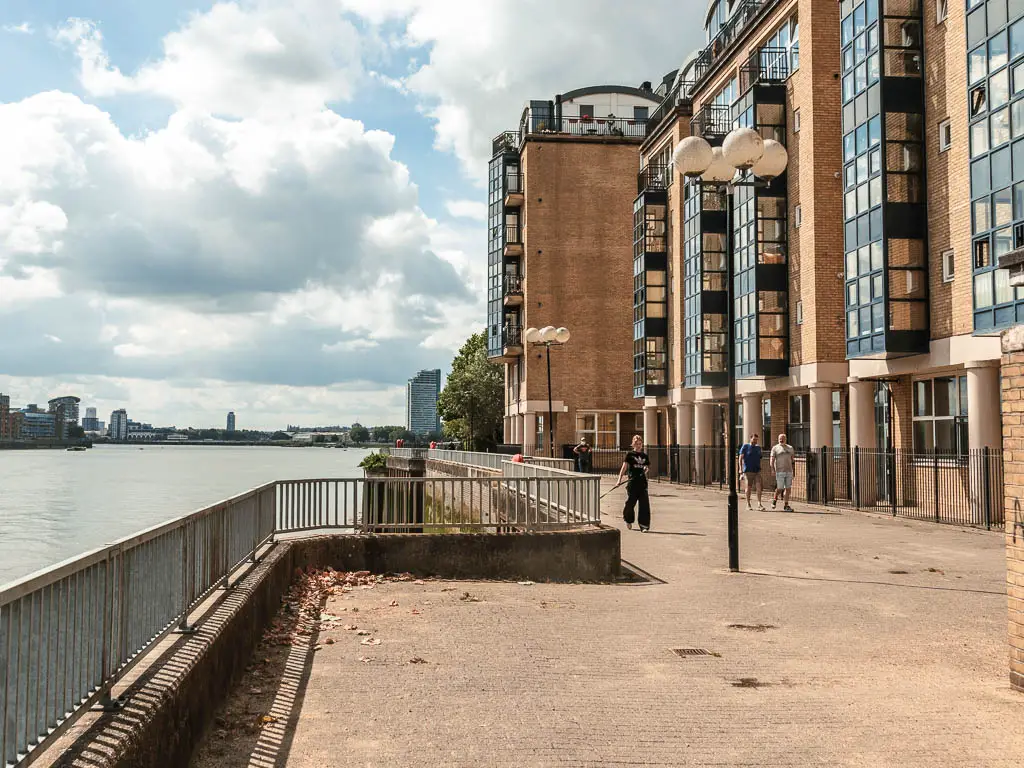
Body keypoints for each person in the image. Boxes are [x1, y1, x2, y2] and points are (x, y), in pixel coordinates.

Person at [617, 435, 651, 531]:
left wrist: (645, 469)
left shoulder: (644, 456)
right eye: (637, 444)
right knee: (630, 504)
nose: (639, 446)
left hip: (642, 484)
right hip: (632, 483)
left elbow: (647, 468)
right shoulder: (630, 455)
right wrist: (619, 480)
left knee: (644, 505)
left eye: (640, 444)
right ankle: (628, 519)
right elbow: (624, 468)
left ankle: (644, 526)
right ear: (633, 444)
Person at [770, 433, 796, 512]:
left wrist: (793, 471)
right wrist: (772, 469)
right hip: (780, 471)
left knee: (788, 488)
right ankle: (774, 499)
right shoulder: (775, 448)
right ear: (778, 439)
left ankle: (786, 505)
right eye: (780, 438)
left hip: (789, 471)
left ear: (785, 439)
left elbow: (793, 460)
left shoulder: (790, 448)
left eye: (783, 438)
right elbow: (772, 460)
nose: (781, 440)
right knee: (780, 488)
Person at [738, 434, 764, 511]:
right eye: (754, 439)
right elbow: (740, 458)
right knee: (748, 487)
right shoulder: (745, 446)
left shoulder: (758, 448)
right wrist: (740, 469)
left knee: (759, 487)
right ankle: (748, 504)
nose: (755, 441)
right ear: (750, 439)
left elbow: (760, 458)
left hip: (757, 470)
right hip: (748, 470)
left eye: (756, 440)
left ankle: (759, 503)